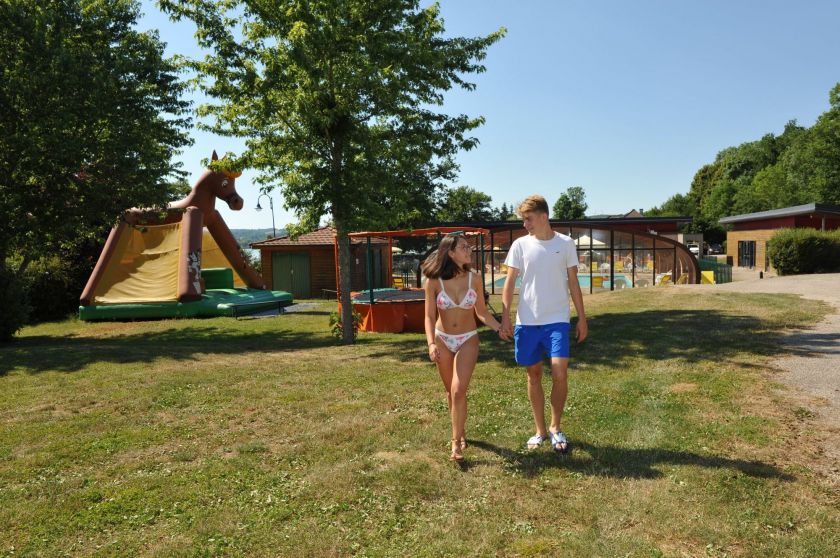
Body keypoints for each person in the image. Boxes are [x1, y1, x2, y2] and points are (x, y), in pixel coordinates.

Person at [499, 196, 588, 453]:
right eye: (523, 219)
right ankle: (539, 430)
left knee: (560, 372)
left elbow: (573, 283)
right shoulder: (519, 245)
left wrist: (582, 318)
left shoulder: (566, 244)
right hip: (527, 321)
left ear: (543, 217)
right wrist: (505, 316)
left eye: (528, 219)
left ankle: (555, 427)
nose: (525, 224)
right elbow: (509, 282)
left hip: (557, 320)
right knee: (534, 375)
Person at [423, 233, 507, 461]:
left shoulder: (475, 278)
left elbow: (481, 312)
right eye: (464, 247)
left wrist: (499, 327)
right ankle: (459, 431)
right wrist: (431, 343)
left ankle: (455, 443)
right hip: (442, 339)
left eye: (469, 247)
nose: (469, 250)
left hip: (468, 338)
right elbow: (429, 317)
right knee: (451, 392)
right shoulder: (433, 281)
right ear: (451, 253)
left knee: (459, 390)